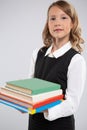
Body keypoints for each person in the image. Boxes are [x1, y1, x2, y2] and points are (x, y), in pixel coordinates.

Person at [28, 0, 86, 130]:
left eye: (64, 17)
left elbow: (72, 104)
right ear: (48, 24)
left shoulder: (76, 60)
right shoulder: (37, 53)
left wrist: (45, 109)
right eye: (52, 18)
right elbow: (30, 87)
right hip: (35, 123)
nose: (57, 23)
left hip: (59, 125)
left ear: (72, 23)